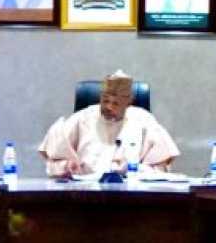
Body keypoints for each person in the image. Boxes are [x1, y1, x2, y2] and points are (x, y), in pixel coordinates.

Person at [38, 69, 180, 178]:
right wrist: (67, 166)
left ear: (128, 102)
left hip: (131, 196)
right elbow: (54, 156)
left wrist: (135, 170)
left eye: (115, 103)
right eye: (105, 100)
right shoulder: (82, 118)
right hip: (85, 195)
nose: (109, 107)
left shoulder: (144, 120)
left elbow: (159, 167)